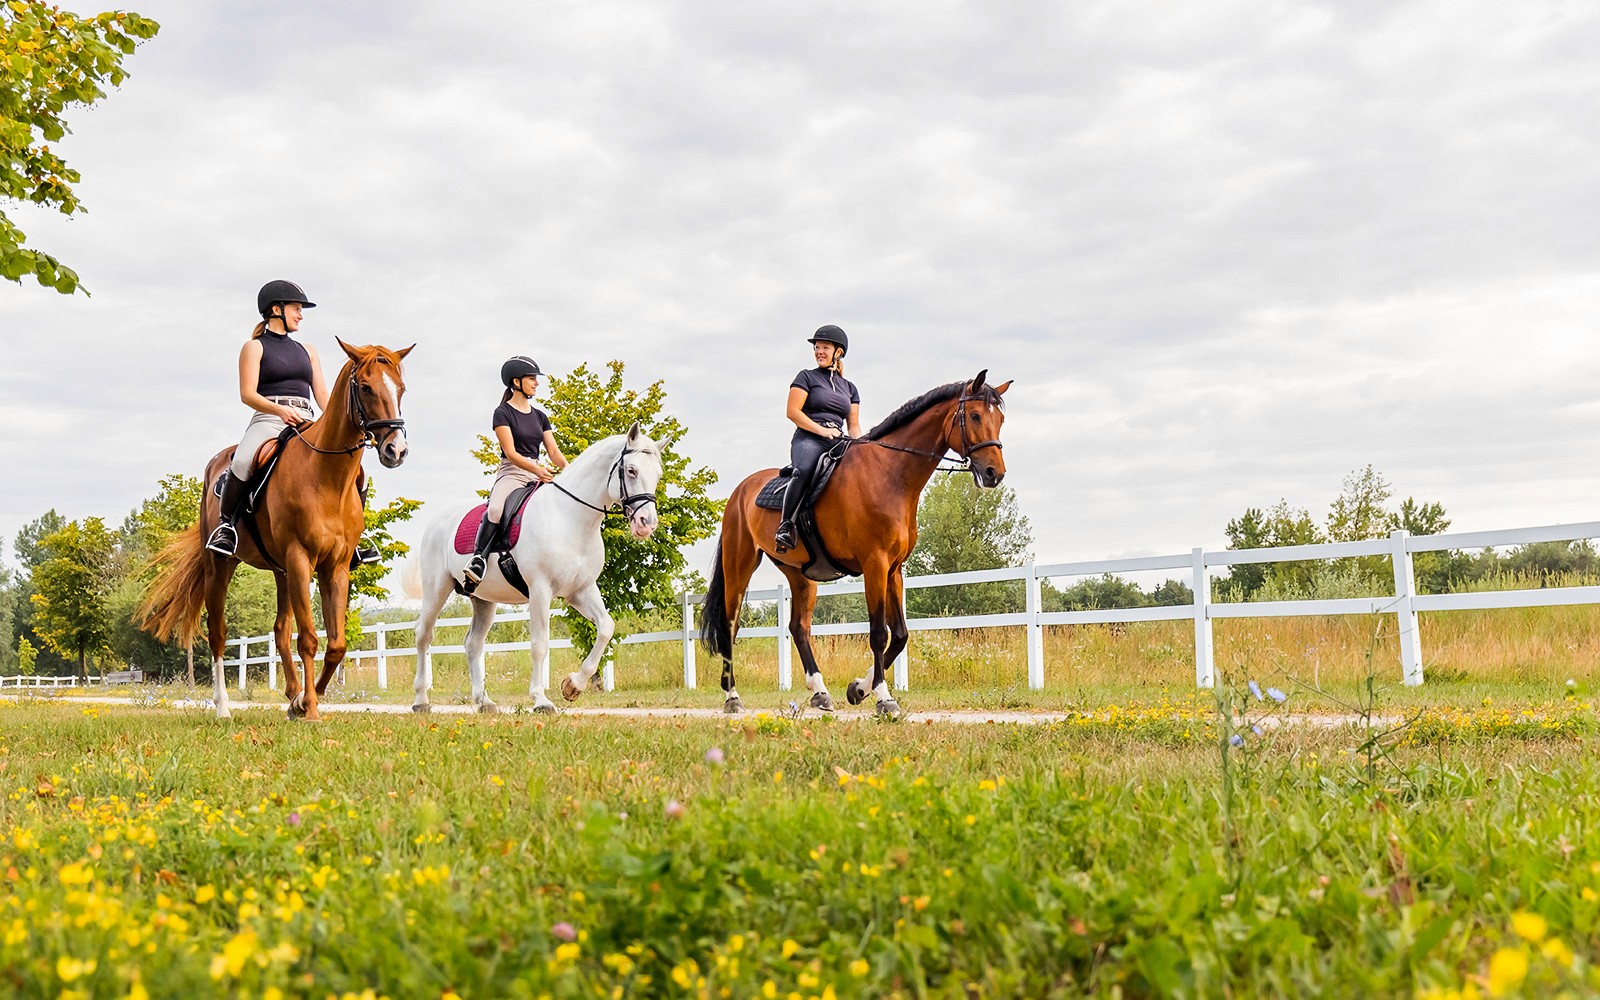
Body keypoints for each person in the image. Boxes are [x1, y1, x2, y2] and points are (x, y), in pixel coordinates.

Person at [206, 280, 330, 557]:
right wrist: (280, 411)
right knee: (242, 460)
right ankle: (227, 527)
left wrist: (335, 420)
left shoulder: (308, 350)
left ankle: (354, 536)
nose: (300, 315)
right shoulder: (254, 348)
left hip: (306, 420)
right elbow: (247, 394)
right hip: (269, 418)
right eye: (296, 308)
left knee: (352, 468)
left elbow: (321, 393)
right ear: (277, 309)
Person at [463, 356, 570, 585]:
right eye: (531, 378)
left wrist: (570, 470)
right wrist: (537, 469)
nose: (536, 383)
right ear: (516, 382)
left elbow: (553, 452)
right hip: (512, 472)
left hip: (538, 472)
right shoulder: (502, 413)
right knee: (495, 509)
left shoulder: (540, 416)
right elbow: (510, 453)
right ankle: (478, 559)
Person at [775, 324, 861, 553]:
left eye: (825, 347)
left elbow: (853, 425)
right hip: (809, 438)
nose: (819, 352)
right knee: (802, 471)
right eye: (817, 347)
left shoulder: (850, 389)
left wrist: (862, 447)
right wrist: (822, 431)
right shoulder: (806, 377)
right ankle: (785, 526)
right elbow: (792, 412)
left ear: (838, 352)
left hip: (839, 440)